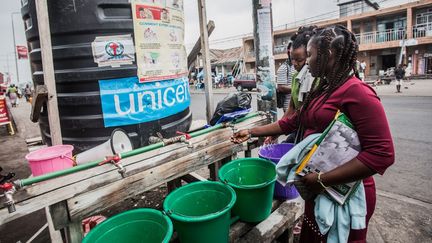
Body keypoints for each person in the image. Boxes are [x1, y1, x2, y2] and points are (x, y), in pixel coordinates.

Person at [232, 25, 394, 243]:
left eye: (310, 55)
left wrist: (322, 179)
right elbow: (293, 121)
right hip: (318, 187)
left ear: (329, 55)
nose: (306, 61)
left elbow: (382, 154)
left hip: (344, 191)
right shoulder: (325, 88)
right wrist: (251, 132)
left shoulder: (358, 92)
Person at [267, 26, 317, 144]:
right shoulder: (296, 78)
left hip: (313, 136)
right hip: (299, 130)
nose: (294, 63)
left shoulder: (316, 80)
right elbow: (290, 112)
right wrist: (275, 133)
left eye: (299, 60)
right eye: (292, 59)